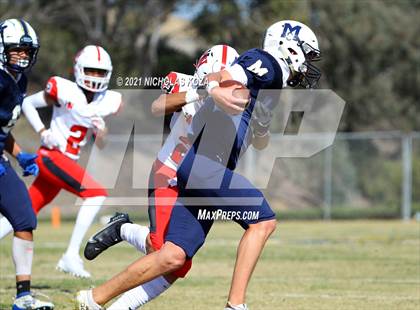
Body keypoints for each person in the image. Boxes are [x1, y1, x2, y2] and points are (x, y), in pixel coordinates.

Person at [76, 20, 321, 310]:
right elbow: (162, 104)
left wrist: (262, 124)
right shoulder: (264, 62)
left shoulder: (264, 89)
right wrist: (210, 90)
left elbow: (260, 142)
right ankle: (236, 306)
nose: (307, 64)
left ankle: (93, 300)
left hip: (203, 171)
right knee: (263, 221)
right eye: (305, 54)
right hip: (186, 167)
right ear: (288, 47)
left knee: (174, 258)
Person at [83, 45, 240, 309]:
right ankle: (122, 236)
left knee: (178, 261)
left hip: (199, 183)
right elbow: (157, 107)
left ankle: (122, 230)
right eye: (224, 76)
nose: (229, 82)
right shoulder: (184, 82)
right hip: (169, 172)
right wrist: (200, 92)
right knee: (165, 253)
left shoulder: (237, 96)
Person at [0, 45, 121, 278]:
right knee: (96, 193)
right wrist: (43, 131)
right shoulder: (64, 89)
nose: (95, 76)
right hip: (51, 157)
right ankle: (71, 255)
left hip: (67, 160)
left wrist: (102, 133)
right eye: (91, 70)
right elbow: (27, 104)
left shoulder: (110, 100)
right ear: (78, 69)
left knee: (23, 214)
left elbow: (101, 144)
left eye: (99, 72)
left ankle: (70, 256)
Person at [0, 18, 54, 309]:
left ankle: (23, 297)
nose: (22, 55)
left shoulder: (17, 79)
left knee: (23, 216)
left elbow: (2, 129)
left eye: (26, 50)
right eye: (16, 50)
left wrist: (18, 153)